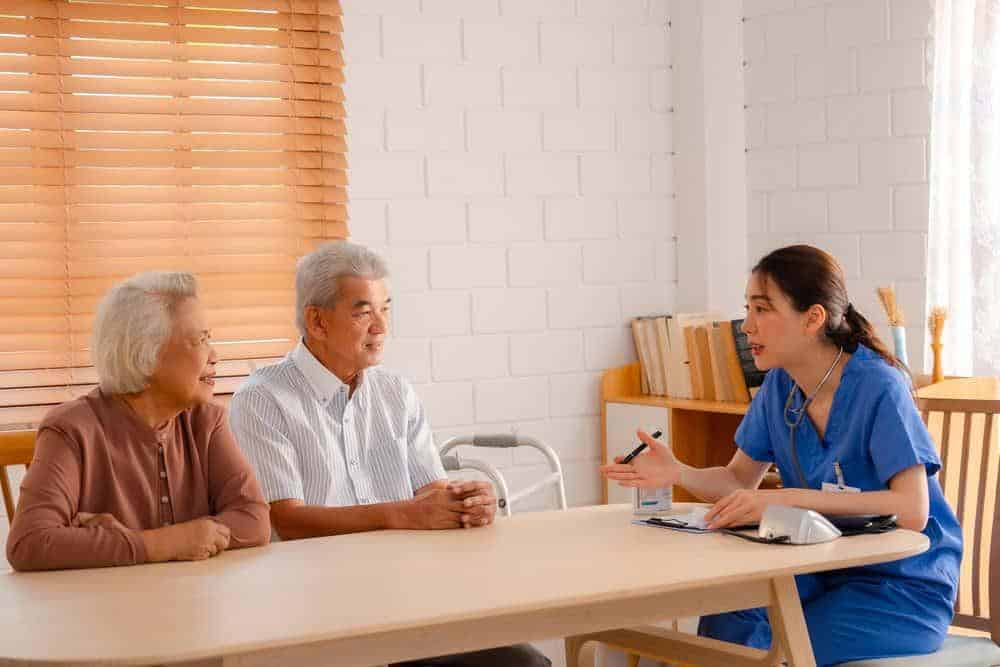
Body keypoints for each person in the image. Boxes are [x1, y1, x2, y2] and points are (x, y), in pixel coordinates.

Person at [602, 245, 962, 666]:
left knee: (774, 648)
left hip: (898, 587)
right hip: (818, 568)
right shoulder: (779, 386)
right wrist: (678, 471)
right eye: (747, 309)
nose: (746, 326)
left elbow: (911, 511)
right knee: (726, 620)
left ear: (813, 318)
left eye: (763, 309)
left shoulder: (879, 387)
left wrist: (786, 499)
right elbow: (739, 481)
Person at [229, 241, 550, 667]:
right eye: (363, 312)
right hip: (313, 614)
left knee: (525, 663)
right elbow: (285, 520)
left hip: (408, 601)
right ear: (317, 321)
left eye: (386, 309)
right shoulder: (263, 399)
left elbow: (431, 493)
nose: (381, 327)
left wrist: (464, 505)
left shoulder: (395, 392)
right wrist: (401, 514)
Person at [7, 272, 270, 572]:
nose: (214, 355)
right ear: (147, 354)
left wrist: (111, 541)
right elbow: (29, 543)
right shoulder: (70, 429)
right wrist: (161, 544)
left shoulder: (208, 421)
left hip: (192, 604)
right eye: (200, 340)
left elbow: (254, 520)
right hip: (102, 610)